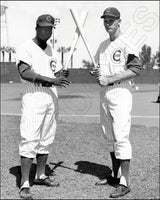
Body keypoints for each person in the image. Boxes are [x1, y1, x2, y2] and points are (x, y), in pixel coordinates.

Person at [16, 14, 71, 199]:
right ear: (36, 27)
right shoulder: (26, 47)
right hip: (34, 93)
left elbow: (57, 72)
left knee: (46, 138)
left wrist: (62, 75)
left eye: (49, 28)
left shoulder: (52, 51)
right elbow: (25, 72)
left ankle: (40, 175)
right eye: (43, 27)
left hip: (51, 96)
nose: (46, 30)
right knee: (29, 138)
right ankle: (24, 183)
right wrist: (51, 79)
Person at [91, 7, 142, 198]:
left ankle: (125, 182)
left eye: (111, 20)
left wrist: (109, 78)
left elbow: (135, 69)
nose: (108, 23)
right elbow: (98, 73)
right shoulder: (102, 45)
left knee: (121, 135)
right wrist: (97, 75)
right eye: (105, 20)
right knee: (109, 136)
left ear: (119, 21)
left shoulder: (128, 42)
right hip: (104, 93)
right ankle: (115, 174)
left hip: (121, 91)